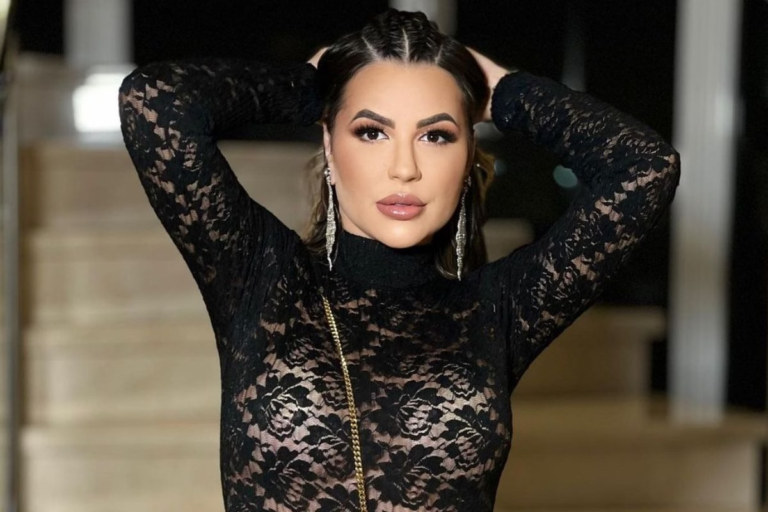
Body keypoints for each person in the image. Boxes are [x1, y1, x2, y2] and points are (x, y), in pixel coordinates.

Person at [117, 8, 680, 512]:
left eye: (436, 136)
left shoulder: (498, 308)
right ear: (329, 146)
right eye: (371, 132)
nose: (404, 168)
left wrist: (505, 92)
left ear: (468, 157)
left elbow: (646, 169)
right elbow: (154, 102)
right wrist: (306, 85)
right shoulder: (259, 274)